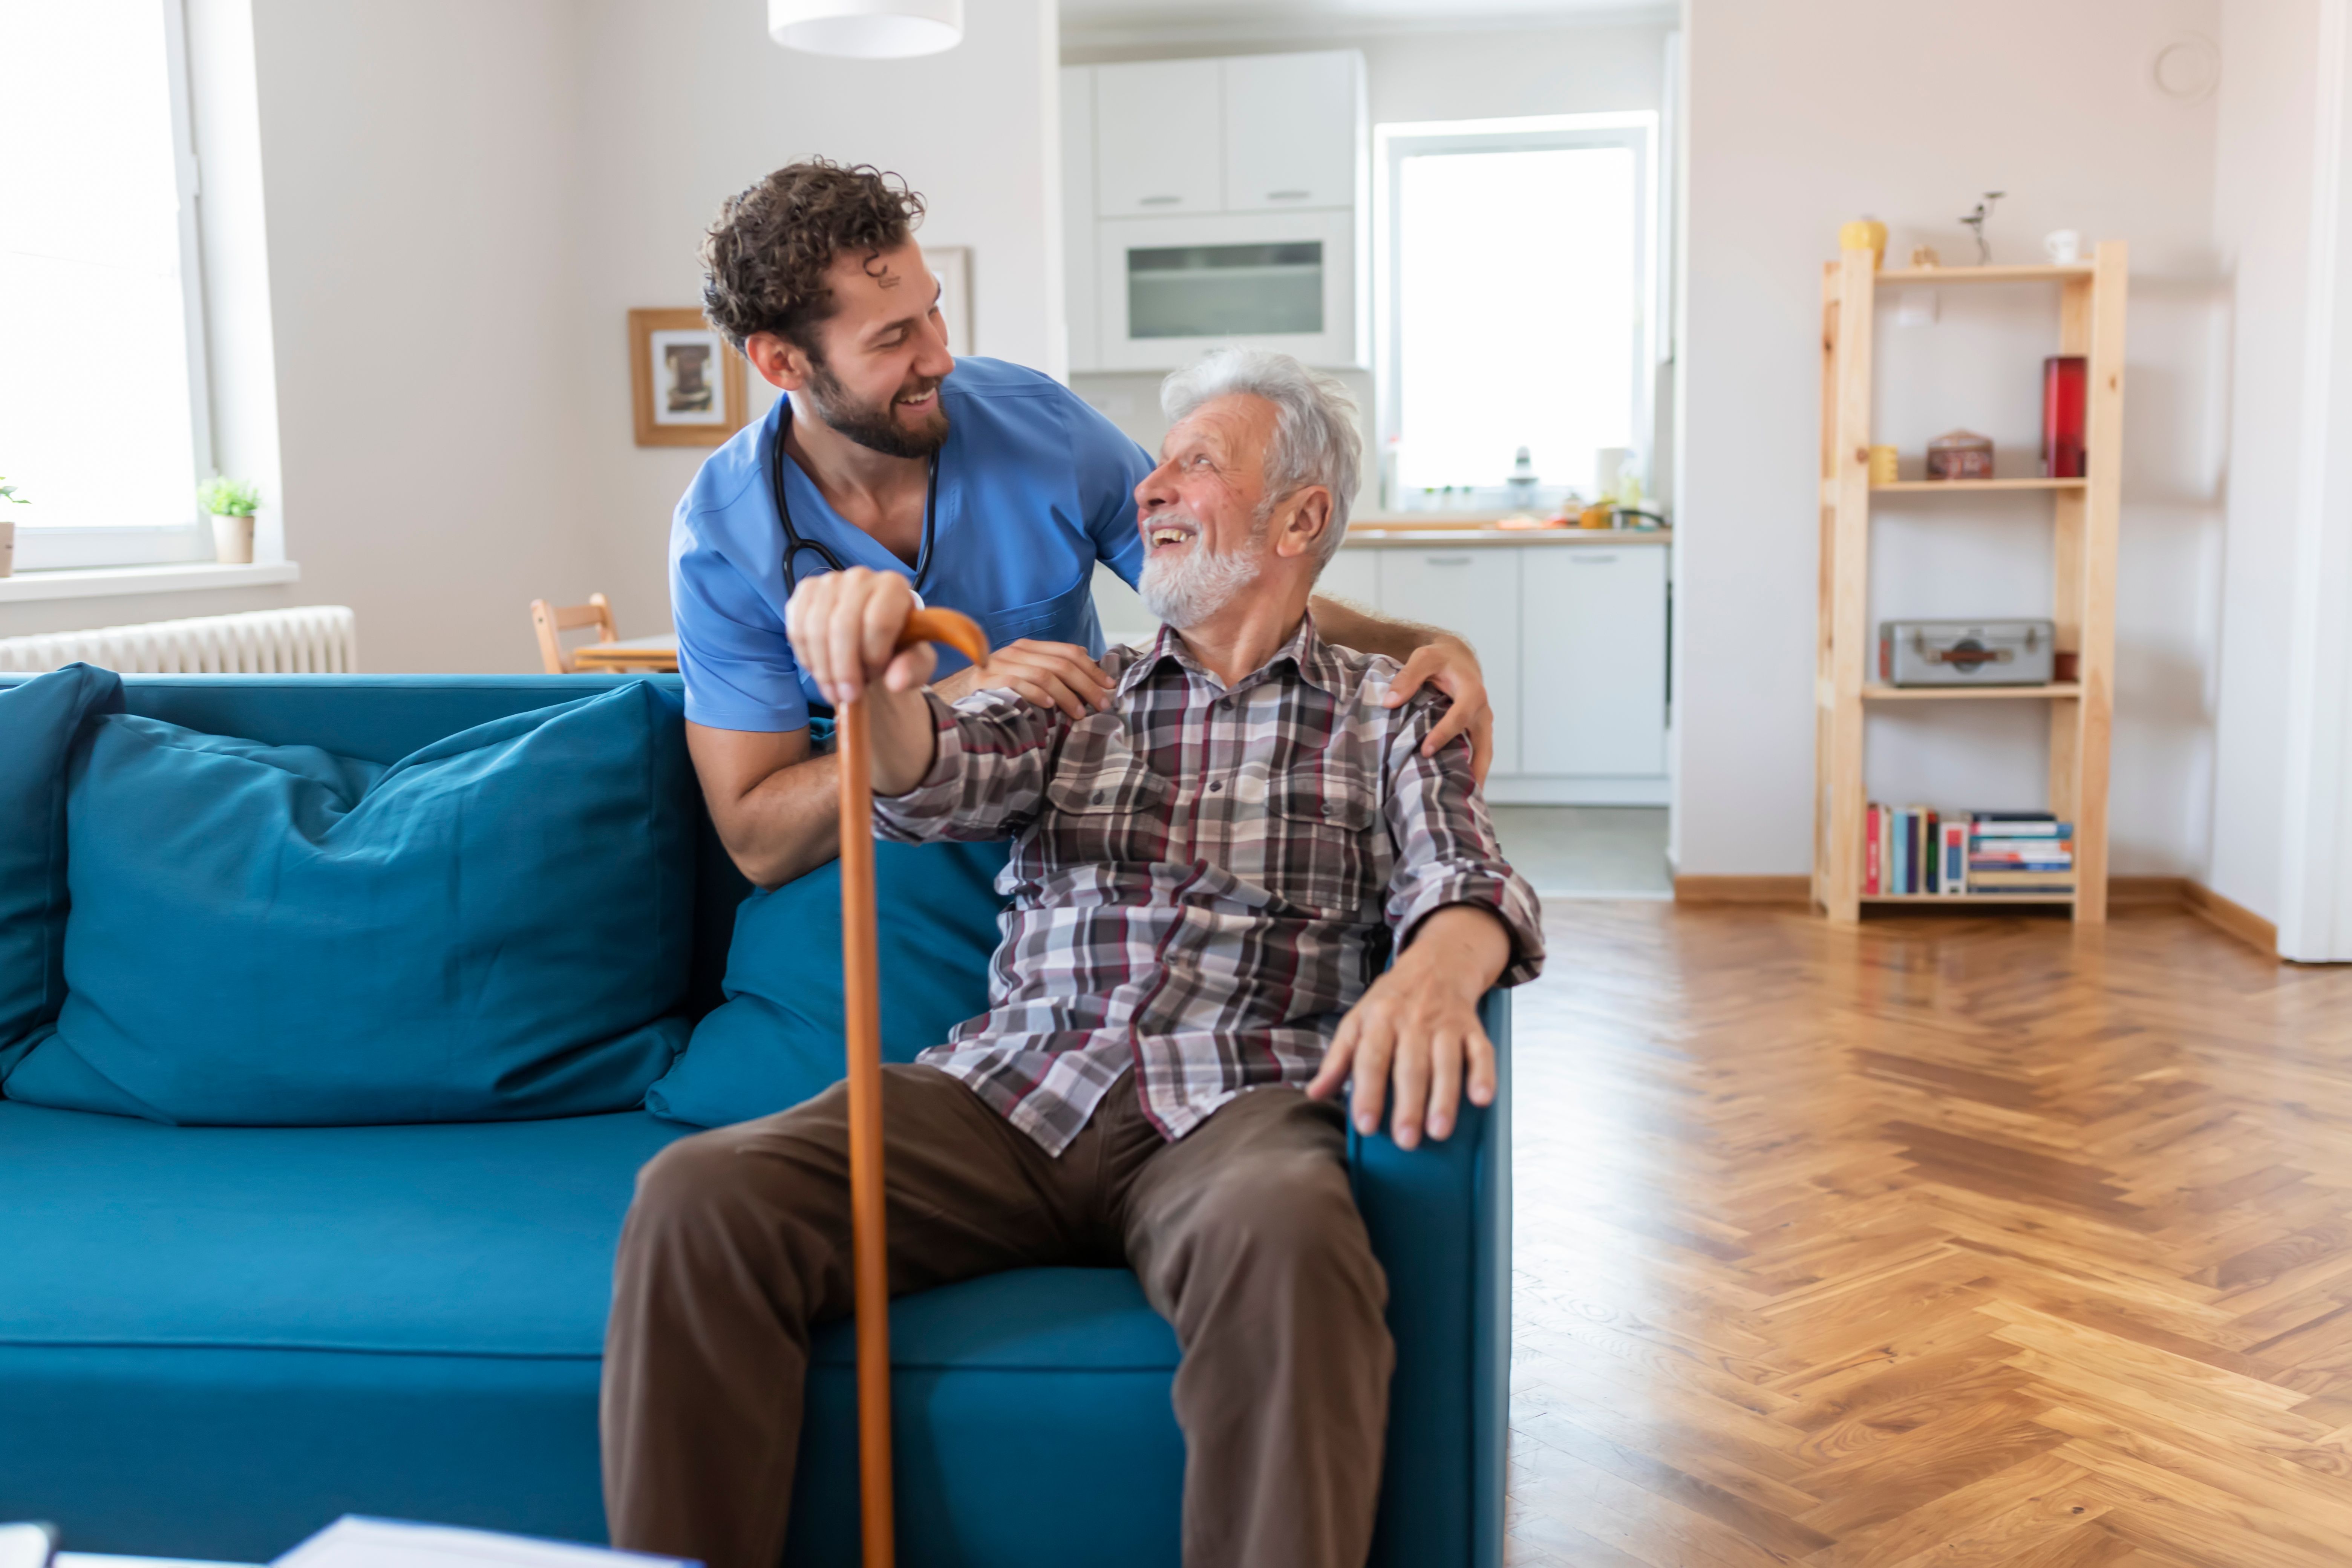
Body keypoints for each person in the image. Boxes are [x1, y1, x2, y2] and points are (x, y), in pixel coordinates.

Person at [604, 347, 1544, 1568]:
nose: (1150, 489)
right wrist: (878, 682)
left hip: (1239, 1101)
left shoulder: (1388, 709)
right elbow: (921, 771)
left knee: (1297, 1250)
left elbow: (1464, 875)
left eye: (1197, 462)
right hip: (1008, 1093)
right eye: (1157, 462)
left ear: (1299, 516)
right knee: (698, 1199)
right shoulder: (1071, 696)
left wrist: (1431, 974)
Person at [671, 159, 1498, 887]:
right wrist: (944, 703)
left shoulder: (1041, 428)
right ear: (783, 363)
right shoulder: (724, 537)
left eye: (933, 312)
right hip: (860, 859)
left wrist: (1414, 645)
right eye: (894, 338)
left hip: (1055, 825)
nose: (940, 357)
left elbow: (1232, 584)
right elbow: (760, 843)